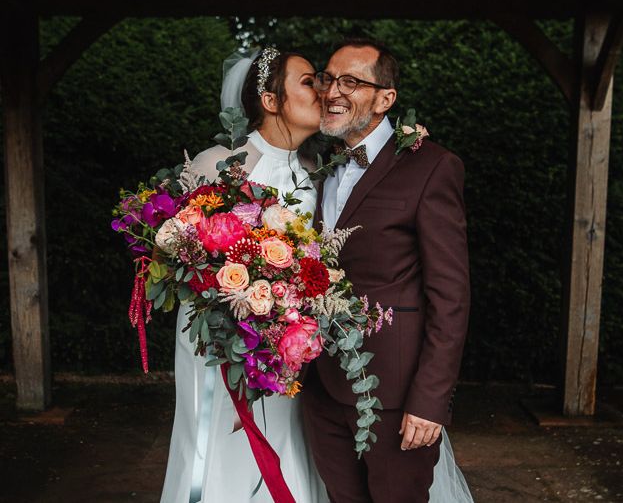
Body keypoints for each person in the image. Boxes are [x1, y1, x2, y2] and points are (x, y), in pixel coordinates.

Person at [302, 38, 474, 502]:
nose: (332, 91)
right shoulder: (319, 166)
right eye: (328, 78)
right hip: (322, 388)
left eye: (351, 82)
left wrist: (430, 401)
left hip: (396, 395)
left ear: (385, 99)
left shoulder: (432, 167)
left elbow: (450, 297)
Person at [160, 47, 328, 503]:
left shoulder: (317, 172)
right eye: (309, 81)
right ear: (271, 101)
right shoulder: (218, 163)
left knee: (286, 431)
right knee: (215, 439)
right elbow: (177, 250)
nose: (323, 91)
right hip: (217, 339)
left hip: (284, 341)